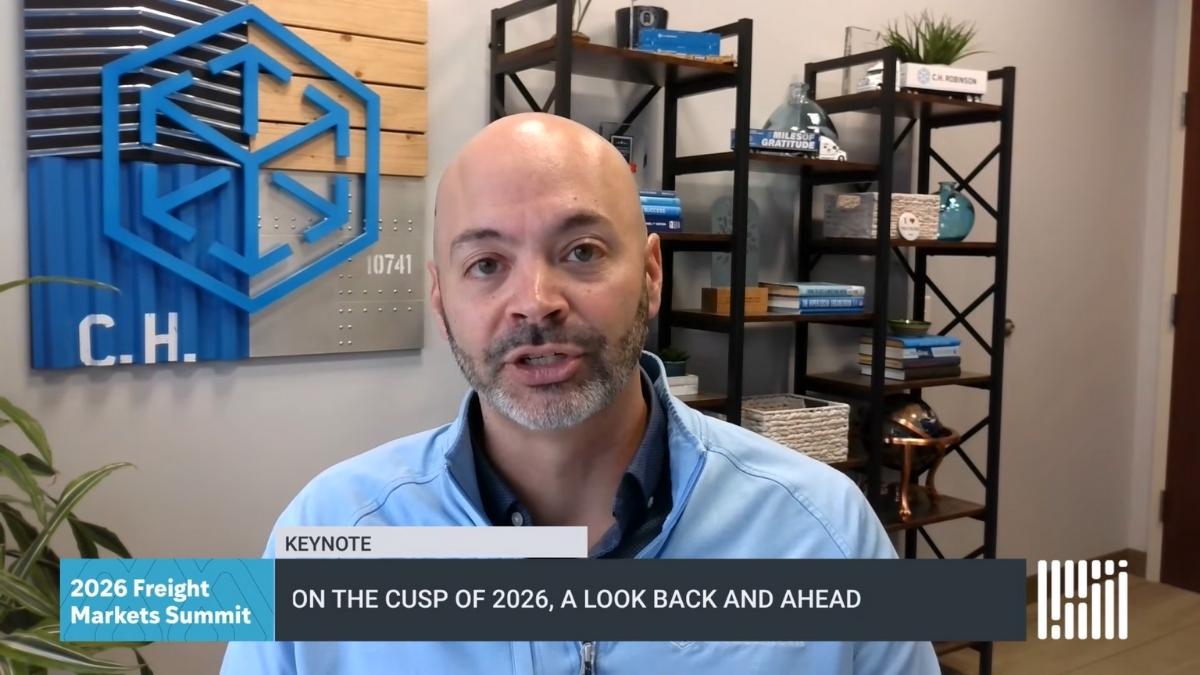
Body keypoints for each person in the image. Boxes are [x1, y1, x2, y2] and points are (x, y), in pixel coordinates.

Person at [221, 113, 939, 674]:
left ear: (651, 275)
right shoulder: (329, 538)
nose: (535, 301)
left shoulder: (823, 533)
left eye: (582, 252)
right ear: (440, 300)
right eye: (486, 264)